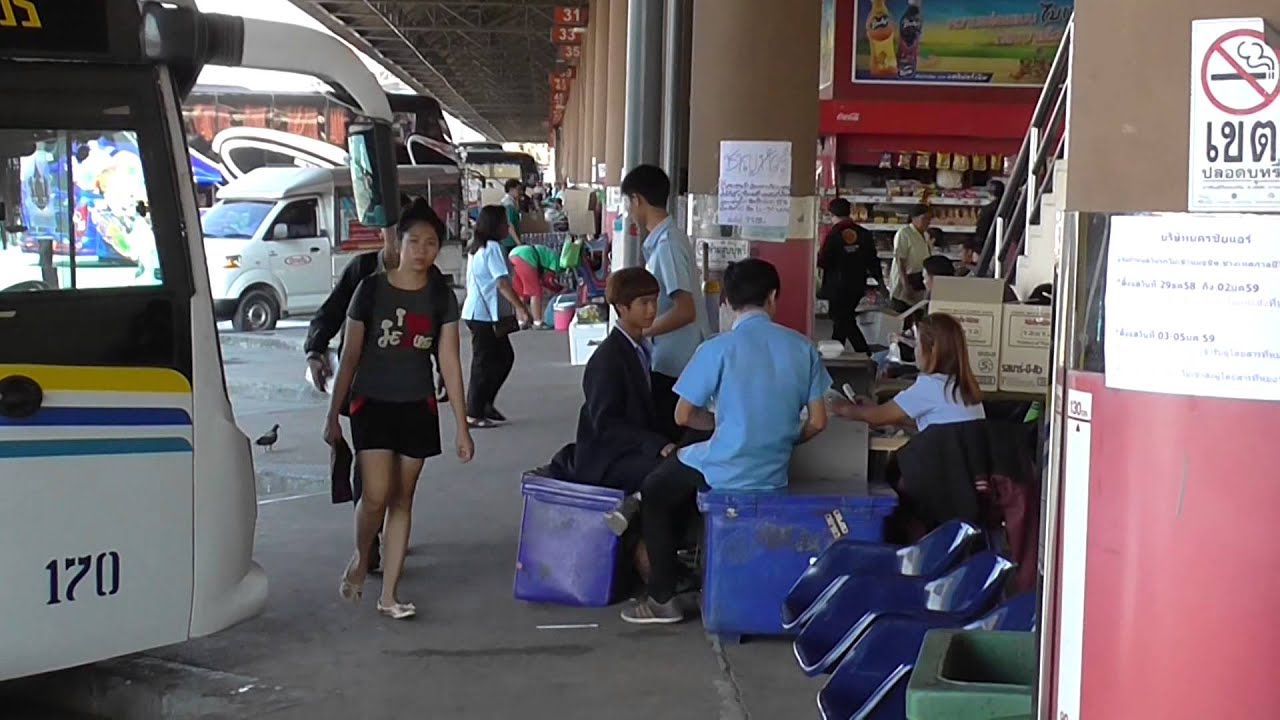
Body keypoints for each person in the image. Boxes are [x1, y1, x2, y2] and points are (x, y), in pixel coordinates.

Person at [621, 259, 832, 625]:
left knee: (657, 488)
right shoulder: (803, 348)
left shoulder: (718, 348)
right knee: (682, 469)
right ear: (773, 297)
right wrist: (780, 437)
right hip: (772, 472)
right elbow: (817, 421)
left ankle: (662, 596)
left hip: (725, 467)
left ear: (728, 303)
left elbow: (683, 415)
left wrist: (723, 424)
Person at [324, 199, 474, 620]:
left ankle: (389, 594)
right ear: (398, 243)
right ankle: (361, 555)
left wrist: (462, 425)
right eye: (415, 241)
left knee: (402, 499)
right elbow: (351, 354)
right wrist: (333, 414)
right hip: (371, 403)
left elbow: (449, 361)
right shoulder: (370, 289)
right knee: (375, 495)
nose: (422, 250)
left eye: (431, 243)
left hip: (417, 405)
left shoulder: (441, 297)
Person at [304, 193, 415, 573]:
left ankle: (388, 530)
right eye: (396, 233)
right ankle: (368, 546)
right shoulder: (362, 272)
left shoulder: (425, 277)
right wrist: (315, 351)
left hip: (410, 390)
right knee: (371, 467)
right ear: (384, 233)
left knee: (401, 470)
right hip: (365, 388)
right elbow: (330, 313)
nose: (403, 243)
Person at [620, 164, 710, 442]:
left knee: (669, 440)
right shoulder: (667, 240)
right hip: (677, 361)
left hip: (676, 366)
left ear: (637, 199)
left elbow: (685, 309)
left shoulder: (668, 245)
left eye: (628, 203)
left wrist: (642, 332)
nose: (629, 212)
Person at [574, 268, 673, 496]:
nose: (652, 309)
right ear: (622, 307)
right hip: (607, 459)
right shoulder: (608, 359)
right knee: (672, 476)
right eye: (644, 302)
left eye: (654, 301)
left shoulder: (640, 348)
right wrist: (657, 444)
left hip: (633, 447)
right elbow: (606, 424)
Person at [830, 313, 984, 432]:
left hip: (937, 468)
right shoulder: (957, 385)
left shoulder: (932, 386)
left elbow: (876, 417)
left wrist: (837, 405)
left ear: (931, 350)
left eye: (917, 344)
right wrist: (875, 410)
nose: (914, 351)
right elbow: (929, 424)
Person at [461, 205, 531, 429]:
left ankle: (485, 403)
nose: (508, 227)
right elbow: (502, 282)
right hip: (482, 314)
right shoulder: (491, 248)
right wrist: (520, 308)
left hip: (482, 313)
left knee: (502, 358)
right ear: (495, 225)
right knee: (484, 363)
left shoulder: (479, 247)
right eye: (504, 223)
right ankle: (473, 412)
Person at [818, 198, 883, 354]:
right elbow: (872, 260)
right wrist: (880, 282)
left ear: (831, 214)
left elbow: (823, 261)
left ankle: (865, 352)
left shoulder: (833, 235)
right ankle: (834, 352)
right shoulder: (864, 234)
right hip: (857, 284)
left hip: (837, 286)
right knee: (842, 320)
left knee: (843, 320)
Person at [508, 242, 564, 329]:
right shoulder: (556, 261)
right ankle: (538, 322)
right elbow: (548, 281)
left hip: (513, 254)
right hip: (527, 256)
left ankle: (521, 321)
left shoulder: (548, 253)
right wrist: (560, 289)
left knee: (520, 295)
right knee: (535, 292)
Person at [889, 204, 933, 313]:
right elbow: (900, 261)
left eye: (929, 218)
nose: (928, 222)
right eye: (924, 218)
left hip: (919, 278)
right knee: (901, 312)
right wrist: (906, 285)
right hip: (905, 279)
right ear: (914, 218)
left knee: (916, 313)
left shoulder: (925, 235)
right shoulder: (904, 233)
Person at [969, 180, 1005, 266]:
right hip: (1007, 244)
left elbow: (981, 231)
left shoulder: (987, 210)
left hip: (989, 246)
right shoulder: (1013, 206)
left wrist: (977, 249)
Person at [501, 179, 525, 251]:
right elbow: (510, 225)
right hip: (509, 242)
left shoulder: (511, 202)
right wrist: (519, 243)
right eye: (518, 189)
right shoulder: (508, 204)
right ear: (511, 190)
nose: (521, 192)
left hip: (510, 240)